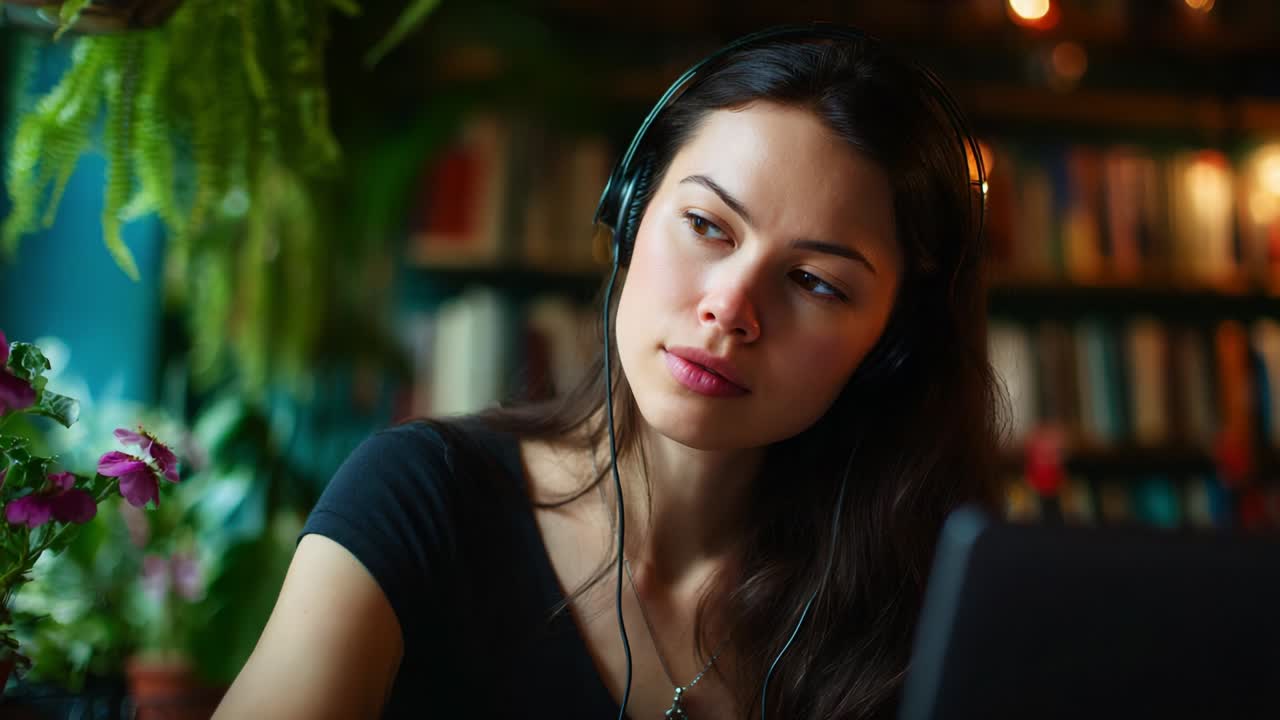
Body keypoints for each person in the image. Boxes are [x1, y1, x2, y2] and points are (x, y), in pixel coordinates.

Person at [213, 25, 1004, 720]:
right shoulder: (421, 497)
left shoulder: (917, 608)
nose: (730, 308)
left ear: (894, 343)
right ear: (627, 217)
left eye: (816, 282)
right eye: (705, 225)